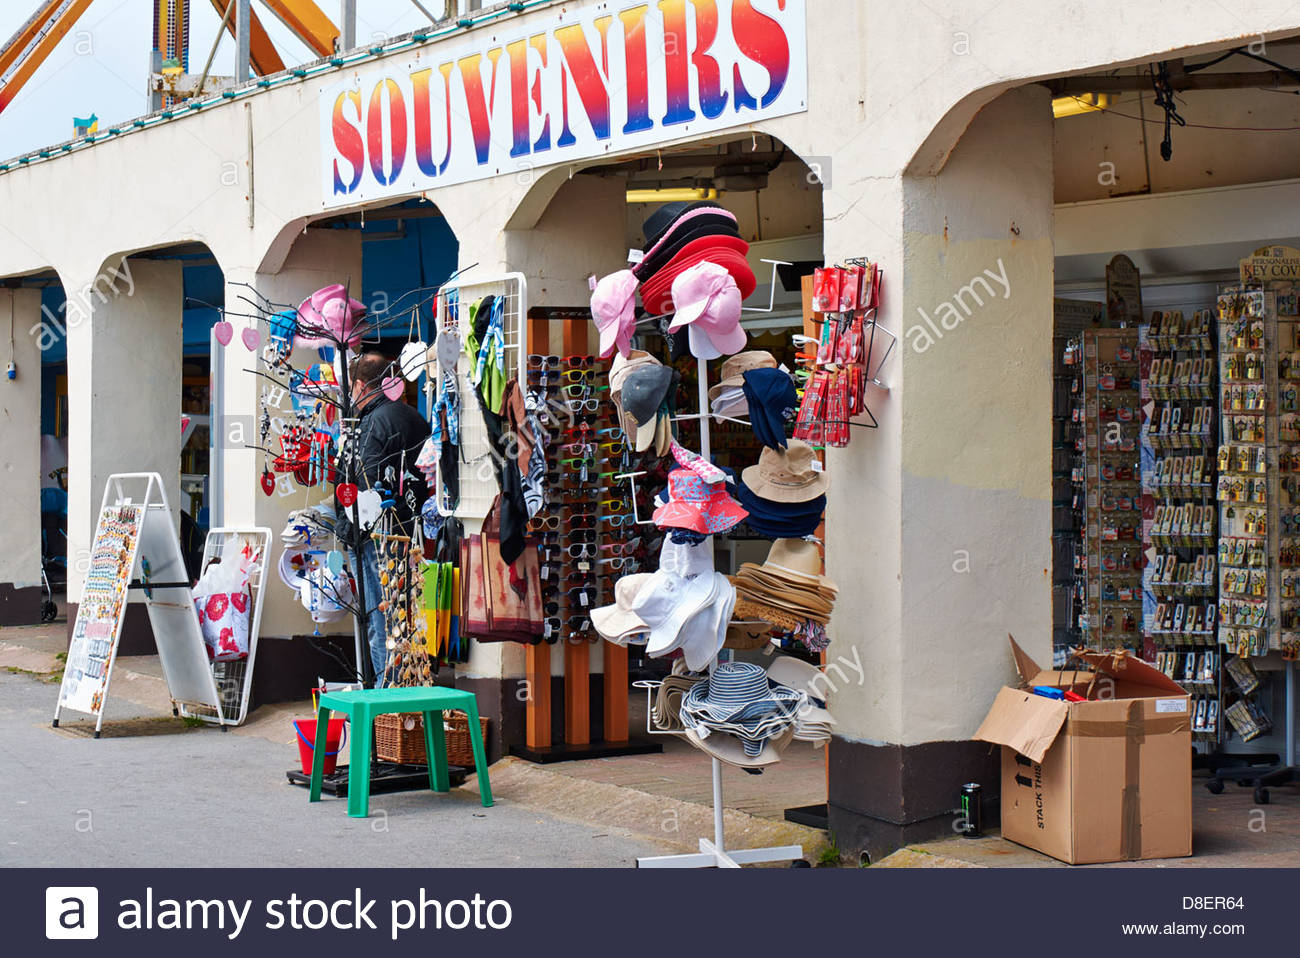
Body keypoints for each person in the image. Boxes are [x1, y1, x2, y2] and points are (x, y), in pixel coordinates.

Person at [337, 351, 431, 684]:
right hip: (409, 532)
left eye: (350, 388)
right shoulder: (416, 417)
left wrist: (354, 526)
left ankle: (383, 700)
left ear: (361, 386)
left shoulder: (371, 423)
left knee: (382, 624)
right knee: (403, 620)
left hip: (375, 538)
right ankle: (401, 694)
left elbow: (366, 484)